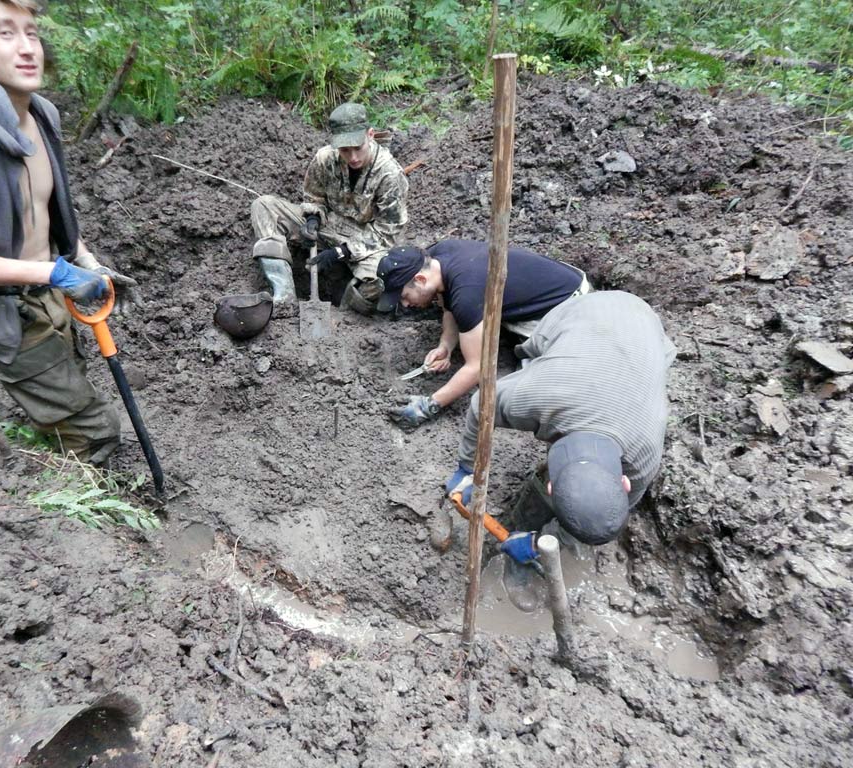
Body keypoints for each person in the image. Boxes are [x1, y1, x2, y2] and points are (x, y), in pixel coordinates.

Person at [0, 0, 138, 464]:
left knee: (69, 376)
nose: (26, 48)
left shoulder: (43, 117)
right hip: (2, 308)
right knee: (96, 430)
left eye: (31, 33)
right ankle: (75, 499)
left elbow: (50, 210)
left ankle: (56, 419)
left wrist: (86, 261)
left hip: (51, 286)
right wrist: (51, 275)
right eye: (6, 33)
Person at [445, 290, 676, 609]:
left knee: (585, 504)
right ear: (549, 486)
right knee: (532, 353)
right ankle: (522, 525)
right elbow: (479, 405)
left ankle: (525, 541)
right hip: (581, 312)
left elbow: (610, 513)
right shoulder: (533, 396)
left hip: (644, 323)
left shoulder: (644, 457)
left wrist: (540, 543)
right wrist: (466, 468)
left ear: (625, 483)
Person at [379, 240, 591, 429]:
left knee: (527, 393)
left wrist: (428, 406)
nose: (405, 304)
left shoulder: (467, 294)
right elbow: (448, 302)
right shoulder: (436, 256)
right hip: (561, 277)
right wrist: (446, 345)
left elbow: (477, 367)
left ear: (421, 279)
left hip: (569, 305)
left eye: (404, 296)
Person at [250, 102, 409, 317]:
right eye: (345, 150)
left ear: (370, 135)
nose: (352, 157)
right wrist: (312, 219)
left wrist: (343, 251)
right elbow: (314, 197)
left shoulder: (389, 174)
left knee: (377, 283)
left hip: (366, 239)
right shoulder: (325, 158)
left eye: (358, 148)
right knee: (264, 206)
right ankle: (285, 296)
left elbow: (389, 231)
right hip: (330, 224)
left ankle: (343, 313)